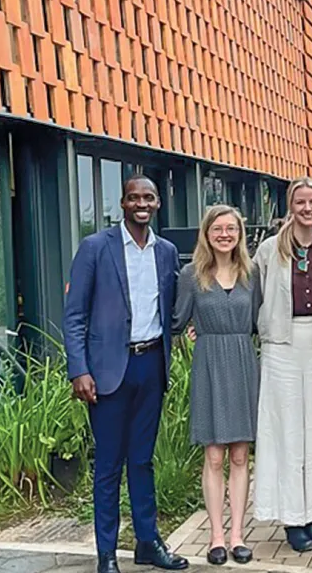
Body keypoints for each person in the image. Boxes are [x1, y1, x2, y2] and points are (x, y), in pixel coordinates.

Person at [62, 176, 188, 573]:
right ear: (123, 203)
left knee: (142, 461)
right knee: (108, 466)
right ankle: (106, 555)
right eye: (134, 197)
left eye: (148, 197)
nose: (142, 203)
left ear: (157, 204)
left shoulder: (166, 252)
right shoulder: (95, 248)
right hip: (107, 371)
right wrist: (79, 369)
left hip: (151, 365)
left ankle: (148, 543)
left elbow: (173, 309)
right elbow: (75, 315)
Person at [251, 177, 312, 552]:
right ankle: (292, 517)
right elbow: (255, 297)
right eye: (300, 202)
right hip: (282, 345)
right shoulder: (267, 249)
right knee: (286, 430)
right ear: (290, 206)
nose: (307, 209)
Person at [172, 205, 260, 566]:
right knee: (213, 455)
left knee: (240, 455)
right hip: (209, 364)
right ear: (206, 234)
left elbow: (259, 320)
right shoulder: (191, 275)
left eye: (231, 229)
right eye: (217, 229)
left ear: (239, 233)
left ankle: (238, 534)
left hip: (242, 360)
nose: (225, 234)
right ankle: (216, 536)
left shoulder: (251, 274)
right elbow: (176, 321)